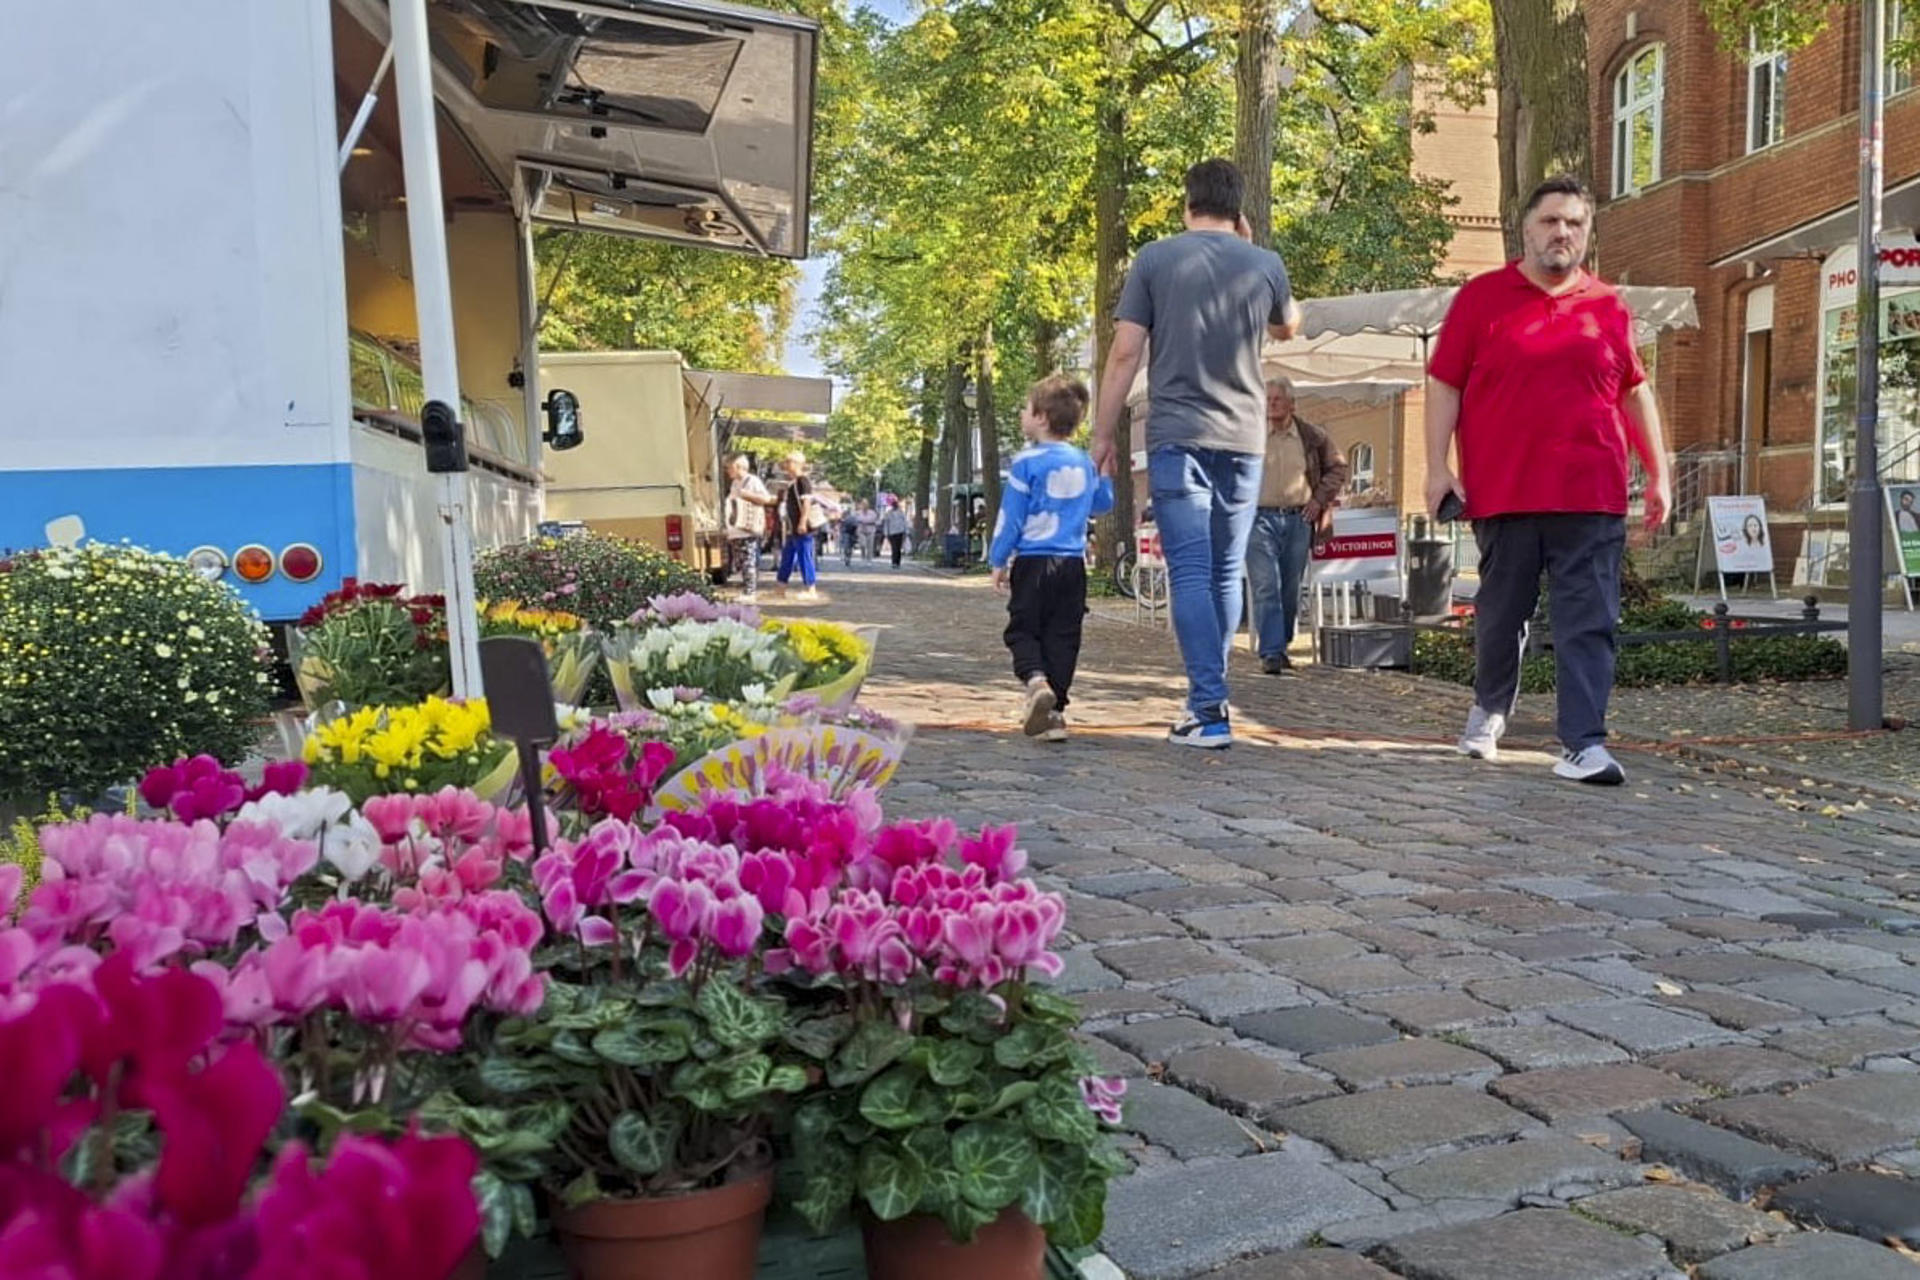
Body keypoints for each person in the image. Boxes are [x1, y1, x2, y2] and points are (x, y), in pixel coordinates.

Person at [1425, 173, 1672, 786]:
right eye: (1550, 221)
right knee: (1501, 612)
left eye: (1575, 223)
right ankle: (1488, 710)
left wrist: (1660, 474)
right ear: (1525, 229)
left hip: (1592, 493)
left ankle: (1584, 743)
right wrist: (1436, 467)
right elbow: (1444, 385)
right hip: (1504, 491)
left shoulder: (1609, 306)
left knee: (1588, 619)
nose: (1562, 232)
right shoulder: (1482, 299)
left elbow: (1635, 393)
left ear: (1587, 234)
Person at [1090, 158, 1301, 748]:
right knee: (1224, 569)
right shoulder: (1265, 264)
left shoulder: (1155, 259)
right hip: (1242, 439)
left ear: (1187, 206)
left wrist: (1102, 434)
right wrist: (1254, 251)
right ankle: (1211, 702)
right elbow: (1288, 328)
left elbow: (1125, 354)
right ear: (1239, 212)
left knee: (1188, 570)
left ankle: (1208, 707)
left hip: (1177, 435)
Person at [990, 375, 1113, 742]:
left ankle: (1036, 681)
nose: (1022, 415)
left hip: (1033, 560)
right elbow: (1102, 505)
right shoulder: (1083, 461)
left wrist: (998, 559)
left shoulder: (1026, 463)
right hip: (1072, 564)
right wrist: (1105, 476)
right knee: (1064, 634)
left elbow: (1010, 516)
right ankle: (1055, 713)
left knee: (1023, 628)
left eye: (1026, 409)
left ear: (1041, 417)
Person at [1246, 375, 1348, 674]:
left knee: (1289, 588)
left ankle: (1281, 644)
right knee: (1266, 585)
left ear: (1292, 404)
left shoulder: (1312, 437)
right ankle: (1272, 652)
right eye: (1267, 399)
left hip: (1297, 519)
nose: (1271, 404)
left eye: (1277, 399)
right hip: (1258, 518)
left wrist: (1318, 500)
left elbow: (1338, 467)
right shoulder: (1251, 434)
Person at [722, 453, 776, 600]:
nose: (727, 471)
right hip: (737, 528)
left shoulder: (752, 481)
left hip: (748, 528)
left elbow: (766, 498)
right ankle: (747, 587)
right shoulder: (735, 483)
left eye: (729, 467)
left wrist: (746, 494)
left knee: (748, 560)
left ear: (738, 467)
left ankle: (750, 591)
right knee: (741, 560)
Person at [775, 450, 821, 600]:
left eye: (788, 462)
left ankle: (811, 589)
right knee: (787, 558)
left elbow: (806, 502)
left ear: (797, 464)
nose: (786, 465)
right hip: (792, 528)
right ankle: (780, 588)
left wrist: (802, 522)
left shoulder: (803, 481)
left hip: (803, 528)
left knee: (804, 557)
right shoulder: (792, 483)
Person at [882, 498, 910, 567]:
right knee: (894, 547)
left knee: (898, 547)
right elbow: (887, 523)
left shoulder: (901, 513)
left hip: (900, 531)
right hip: (892, 532)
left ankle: (898, 562)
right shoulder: (888, 513)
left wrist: (906, 531)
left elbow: (905, 522)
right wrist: (886, 533)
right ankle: (894, 561)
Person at [838, 503, 860, 568]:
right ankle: (847, 558)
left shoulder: (853, 516)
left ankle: (848, 558)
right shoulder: (843, 517)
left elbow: (856, 525)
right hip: (847, 533)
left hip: (850, 533)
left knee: (848, 547)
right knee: (847, 546)